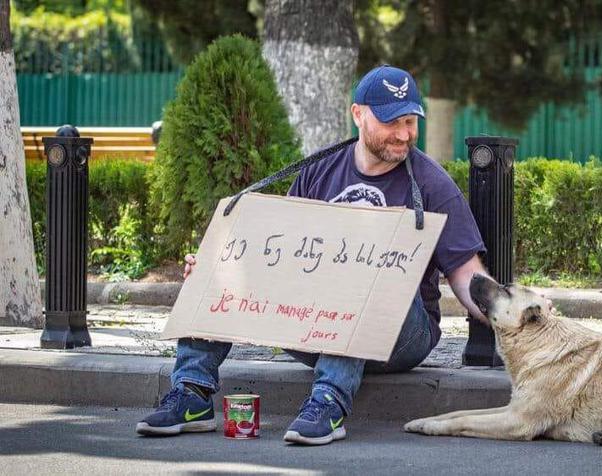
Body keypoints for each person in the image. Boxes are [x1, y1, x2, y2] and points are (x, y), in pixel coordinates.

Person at [136, 65, 489, 445]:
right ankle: (192, 393)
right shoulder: (319, 170)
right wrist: (215, 266)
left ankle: (329, 401)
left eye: (410, 121)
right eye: (392, 122)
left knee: (361, 276)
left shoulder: (434, 184)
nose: (404, 134)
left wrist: (518, 316)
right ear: (359, 114)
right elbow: (278, 256)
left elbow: (467, 276)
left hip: (402, 335)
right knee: (218, 262)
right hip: (312, 325)